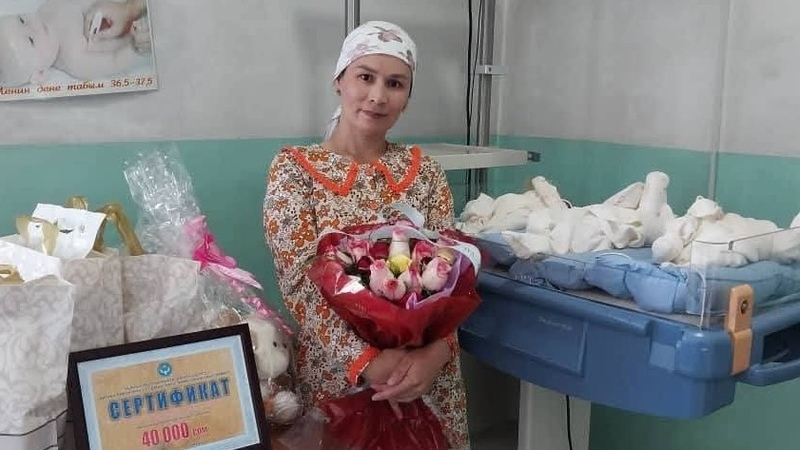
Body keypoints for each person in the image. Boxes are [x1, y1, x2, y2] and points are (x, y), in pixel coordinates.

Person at [263, 21, 470, 449]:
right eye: (365, 77)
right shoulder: (295, 171)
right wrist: (367, 361)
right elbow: (299, 284)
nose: (378, 95)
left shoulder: (425, 172)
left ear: (407, 98)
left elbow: (452, 275)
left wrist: (437, 354)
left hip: (426, 378)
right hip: (341, 377)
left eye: (395, 83)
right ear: (338, 81)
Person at [0, 0, 150, 87]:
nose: (33, 26)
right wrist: (135, 48)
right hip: (138, 26)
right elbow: (115, 61)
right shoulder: (75, 61)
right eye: (31, 40)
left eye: (21, 20)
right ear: (40, 74)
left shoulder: (47, 8)